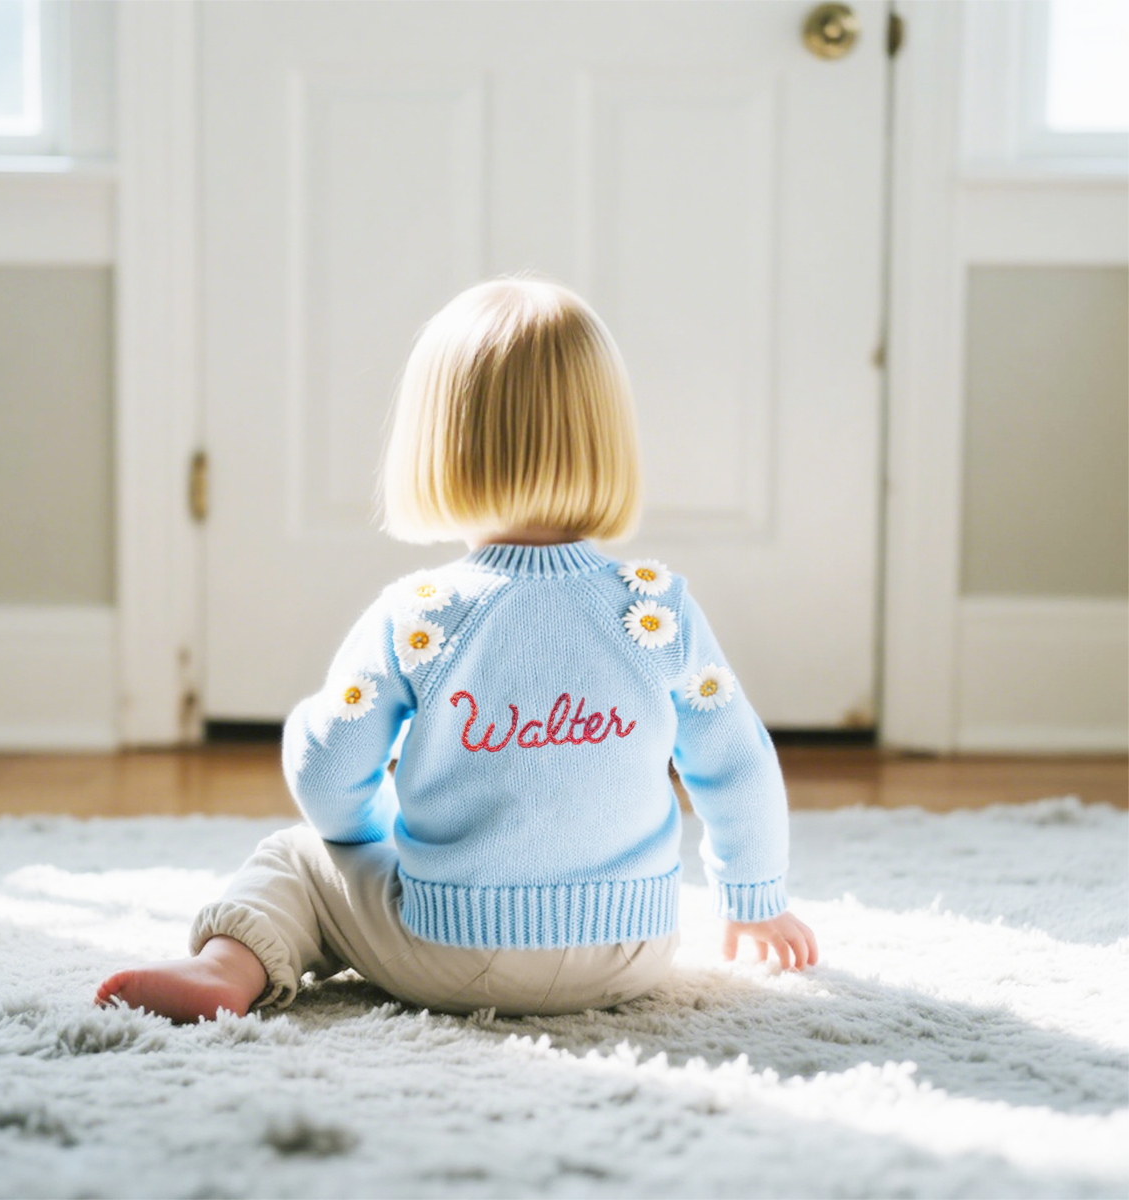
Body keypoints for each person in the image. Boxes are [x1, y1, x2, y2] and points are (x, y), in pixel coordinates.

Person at [95, 275, 818, 1023]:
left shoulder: (420, 616)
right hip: (631, 950)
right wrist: (755, 899)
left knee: (297, 861)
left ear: (437, 449)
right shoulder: (656, 611)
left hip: (446, 949)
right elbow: (738, 762)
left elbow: (328, 774)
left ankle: (226, 967)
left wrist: (364, 833)